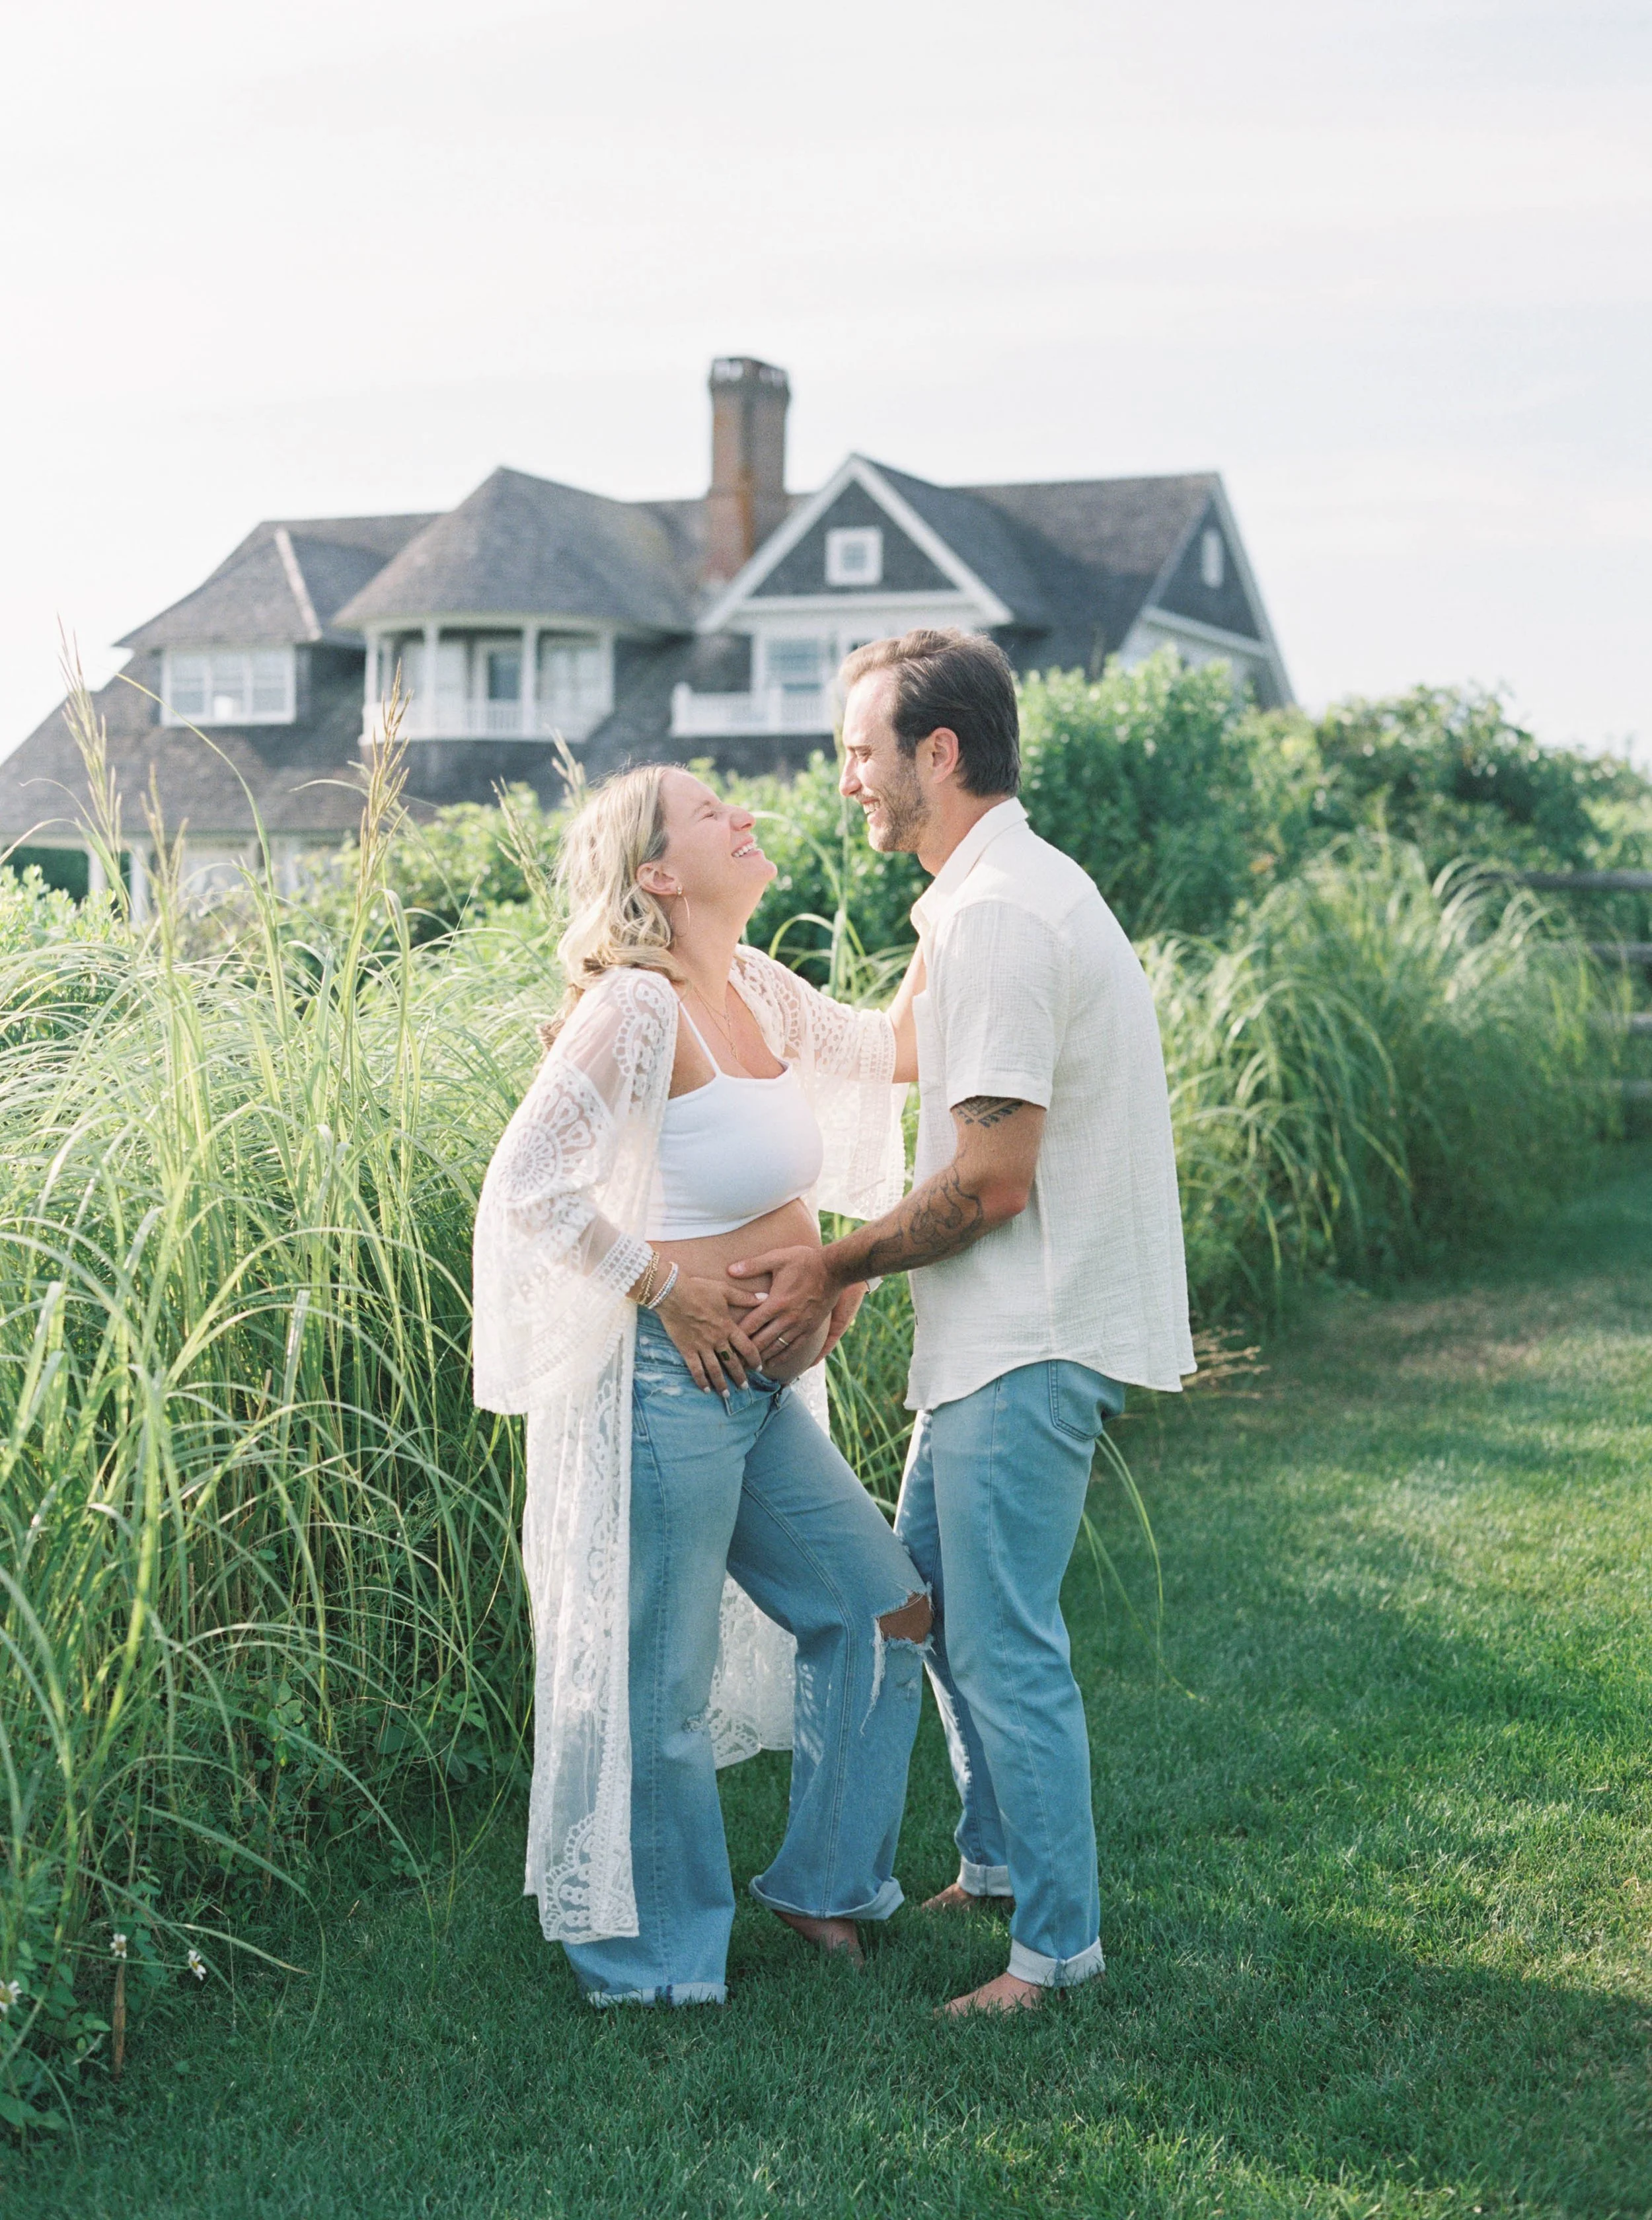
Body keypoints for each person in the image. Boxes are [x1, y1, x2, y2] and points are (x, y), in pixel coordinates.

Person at [733, 628, 1195, 2016]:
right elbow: (893, 1054)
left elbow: (991, 1181)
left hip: (1028, 1335)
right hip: (998, 1336)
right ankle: (992, 1863)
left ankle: (1055, 1954)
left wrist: (833, 1265)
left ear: (936, 752)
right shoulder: (984, 900)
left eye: (856, 753)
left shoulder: (1000, 916)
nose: (845, 784)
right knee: (924, 1605)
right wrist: (715, 974)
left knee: (999, 1640)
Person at [472, 764, 932, 2009]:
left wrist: (960, 888)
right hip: (668, 1393)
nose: (746, 815)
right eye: (711, 810)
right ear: (661, 873)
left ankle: (823, 1882)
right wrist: (663, 1287)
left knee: (885, 1614)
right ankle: (657, 1967)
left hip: (758, 1393)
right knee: (658, 1694)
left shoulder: (755, 987)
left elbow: (892, 1050)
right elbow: (529, 1186)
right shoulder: (635, 1007)